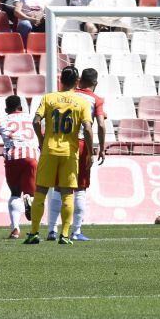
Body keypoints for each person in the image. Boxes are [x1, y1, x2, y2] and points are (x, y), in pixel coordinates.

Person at [22, 66, 93, 245]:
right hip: (69, 152)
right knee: (68, 193)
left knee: (41, 191)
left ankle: (34, 233)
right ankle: (65, 235)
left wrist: (41, 140)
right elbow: (88, 129)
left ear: (61, 80)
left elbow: (36, 121)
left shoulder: (48, 98)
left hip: (49, 151)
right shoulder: (82, 102)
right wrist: (90, 152)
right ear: (77, 82)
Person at [44, 67, 106, 242]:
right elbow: (100, 125)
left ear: (79, 80)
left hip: (60, 143)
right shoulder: (95, 100)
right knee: (80, 188)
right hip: (80, 144)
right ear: (95, 83)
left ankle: (52, 229)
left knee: (58, 187)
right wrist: (100, 148)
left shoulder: (66, 95)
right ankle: (76, 231)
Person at [0, 95, 39, 239]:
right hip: (31, 157)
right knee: (32, 194)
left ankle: (15, 229)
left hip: (13, 158)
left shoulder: (0, 121)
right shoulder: (32, 119)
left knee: (15, 193)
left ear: (6, 109)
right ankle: (30, 204)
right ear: (21, 108)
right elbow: (42, 138)